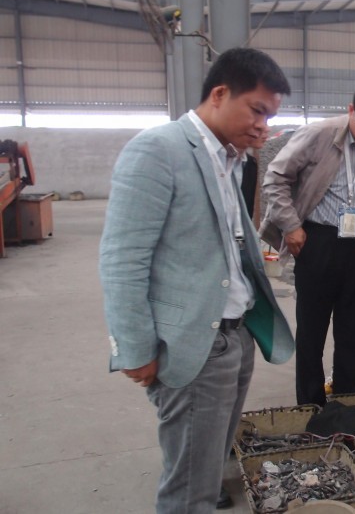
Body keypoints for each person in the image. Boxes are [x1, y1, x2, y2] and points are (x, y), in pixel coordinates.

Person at [98, 48, 294, 513]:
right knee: (189, 492)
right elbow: (123, 258)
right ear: (219, 94)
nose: (263, 127)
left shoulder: (231, 159)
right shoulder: (157, 150)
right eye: (257, 111)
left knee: (207, 473)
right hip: (193, 346)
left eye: (269, 117)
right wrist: (135, 348)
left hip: (234, 337)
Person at [261, 82, 355, 406]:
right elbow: (275, 178)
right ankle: (310, 407)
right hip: (317, 241)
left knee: (354, 335)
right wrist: (291, 225)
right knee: (312, 333)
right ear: (351, 111)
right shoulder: (318, 135)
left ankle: (346, 405)